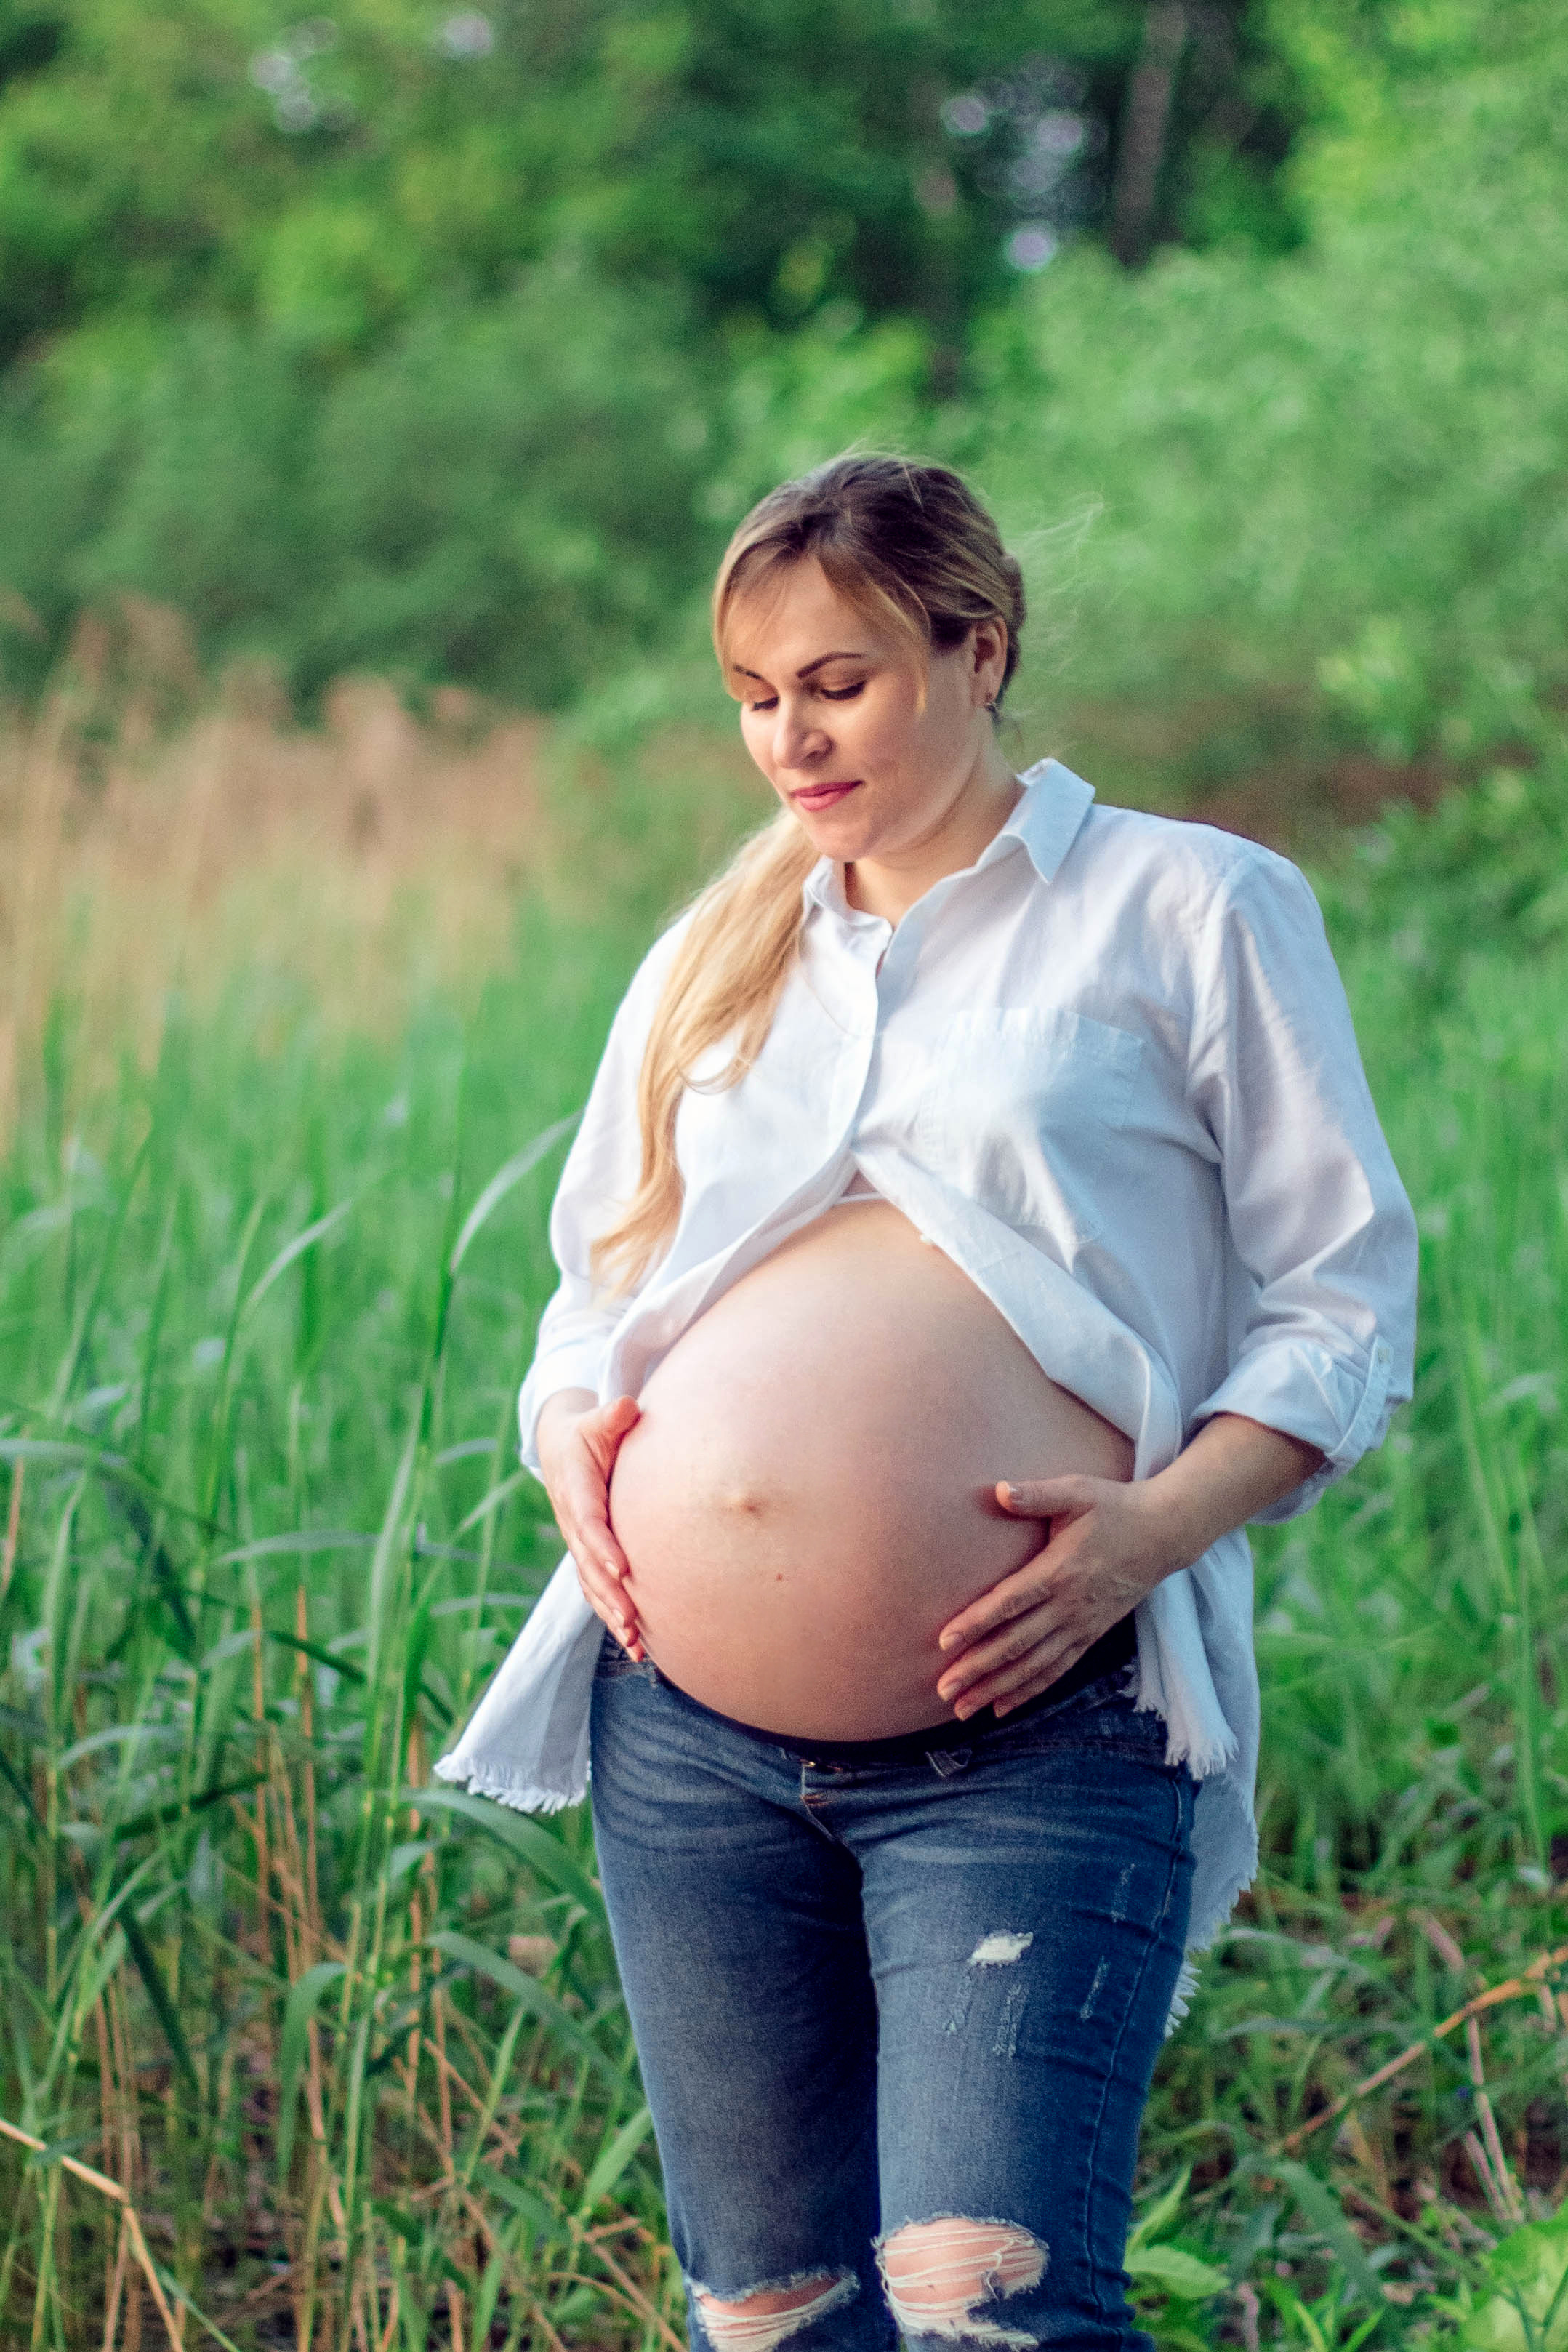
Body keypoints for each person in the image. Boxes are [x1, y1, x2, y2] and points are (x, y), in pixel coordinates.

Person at [438, 455, 1417, 2352]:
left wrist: (1154, 1526)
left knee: (995, 2310)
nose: (786, 736)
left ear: (978, 648)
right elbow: (596, 1286)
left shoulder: (1189, 905)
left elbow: (1342, 1298)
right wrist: (570, 1429)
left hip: (1037, 1723)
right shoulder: (718, 956)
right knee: (773, 2317)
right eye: (752, 695)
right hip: (691, 1746)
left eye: (838, 680)